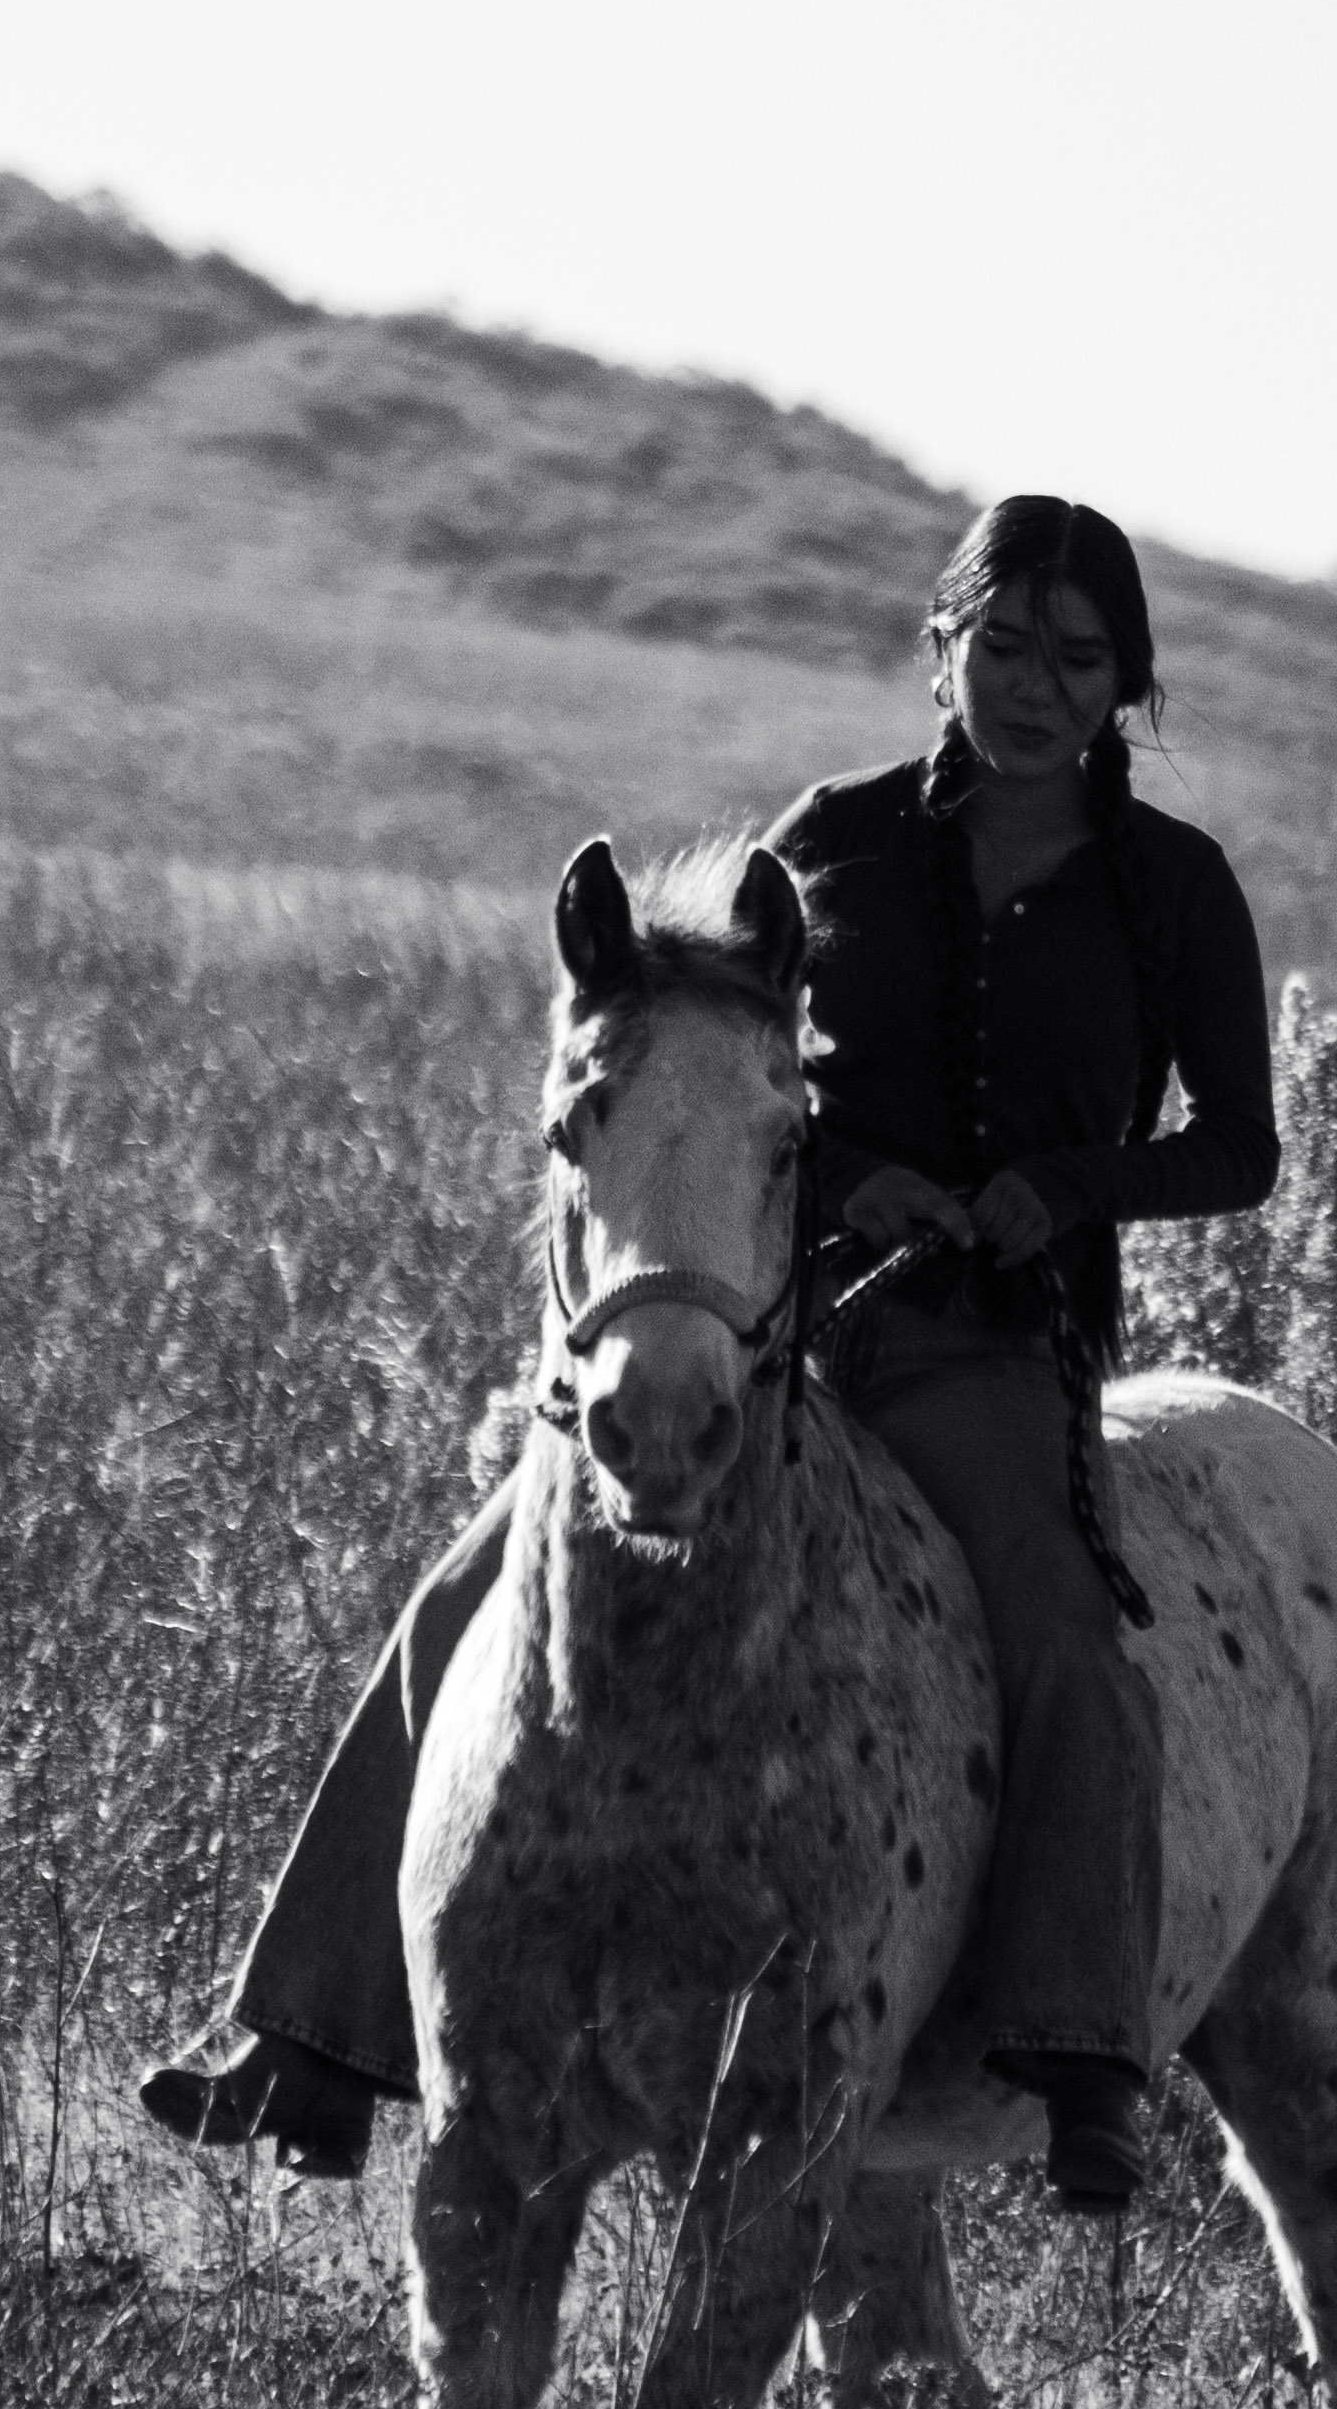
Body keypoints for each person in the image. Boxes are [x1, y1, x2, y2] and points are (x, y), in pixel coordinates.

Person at [135, 493, 1279, 2213]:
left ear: (1127, 681)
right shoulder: (832, 845)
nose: (1035, 685)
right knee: (464, 1595)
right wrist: (853, 1174)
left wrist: (1064, 1189)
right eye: (1003, 644)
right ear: (942, 649)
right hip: (782, 1325)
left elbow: (1242, 1149)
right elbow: (736, 1083)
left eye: (1077, 655)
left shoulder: (1175, 889)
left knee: (1064, 1640)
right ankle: (311, 2037)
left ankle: (1079, 2049)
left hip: (987, 1349)